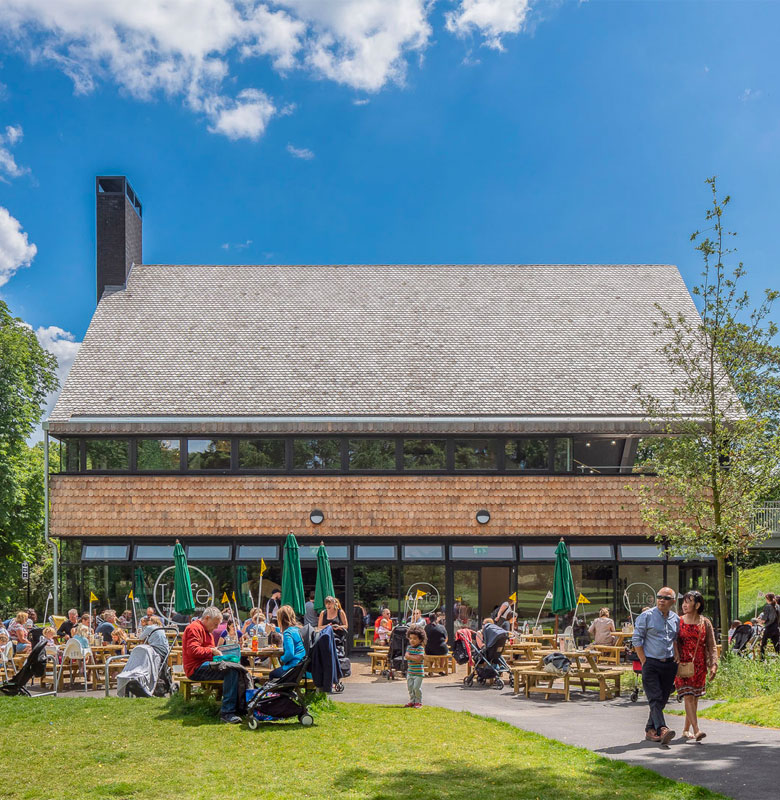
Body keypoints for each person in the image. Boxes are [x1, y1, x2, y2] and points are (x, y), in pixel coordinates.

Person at [632, 587, 680, 745]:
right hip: (651, 662)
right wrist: (644, 660)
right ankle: (663, 729)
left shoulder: (675, 619)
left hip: (669, 663)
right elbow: (636, 639)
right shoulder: (647, 616)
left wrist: (677, 655)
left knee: (662, 699)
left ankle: (650, 730)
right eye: (659, 597)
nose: (661, 600)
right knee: (655, 697)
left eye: (665, 598)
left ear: (672, 601)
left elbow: (675, 639)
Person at [182, 606, 242, 724]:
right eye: (215, 624)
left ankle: (239, 708)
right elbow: (193, 651)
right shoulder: (194, 628)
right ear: (207, 618)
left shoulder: (206, 630)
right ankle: (227, 713)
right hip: (195, 668)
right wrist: (212, 651)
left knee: (236, 669)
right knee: (231, 670)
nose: (215, 628)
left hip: (204, 664)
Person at [674, 590, 718, 741]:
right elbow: (673, 642)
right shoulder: (678, 621)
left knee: (694, 698)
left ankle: (686, 729)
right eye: (684, 602)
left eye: (688, 601)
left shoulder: (705, 622)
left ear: (697, 605)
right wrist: (676, 656)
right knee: (688, 696)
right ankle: (697, 730)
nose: (684, 605)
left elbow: (712, 645)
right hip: (682, 664)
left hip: (699, 666)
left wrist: (713, 664)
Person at [269, 605, 305, 680]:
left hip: (294, 668)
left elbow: (290, 653)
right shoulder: (299, 629)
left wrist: (282, 659)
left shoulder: (287, 633)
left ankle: (280, 691)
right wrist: (275, 629)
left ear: (281, 619)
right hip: (304, 668)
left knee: (272, 674)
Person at [404, 627, 426, 708]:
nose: (412, 640)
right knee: (410, 688)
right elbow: (406, 656)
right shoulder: (409, 647)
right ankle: (412, 701)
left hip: (418, 673)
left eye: (415, 639)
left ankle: (418, 701)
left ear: (420, 640)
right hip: (410, 672)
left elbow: (419, 658)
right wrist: (412, 657)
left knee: (416, 688)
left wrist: (410, 657)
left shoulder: (420, 648)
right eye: (410, 638)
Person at [758, 592, 780, 657]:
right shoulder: (778, 606)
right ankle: (779, 658)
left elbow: (764, 619)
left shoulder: (768, 607)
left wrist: (759, 621)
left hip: (769, 628)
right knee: (777, 645)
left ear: (767, 599)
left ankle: (762, 658)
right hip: (776, 628)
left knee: (763, 644)